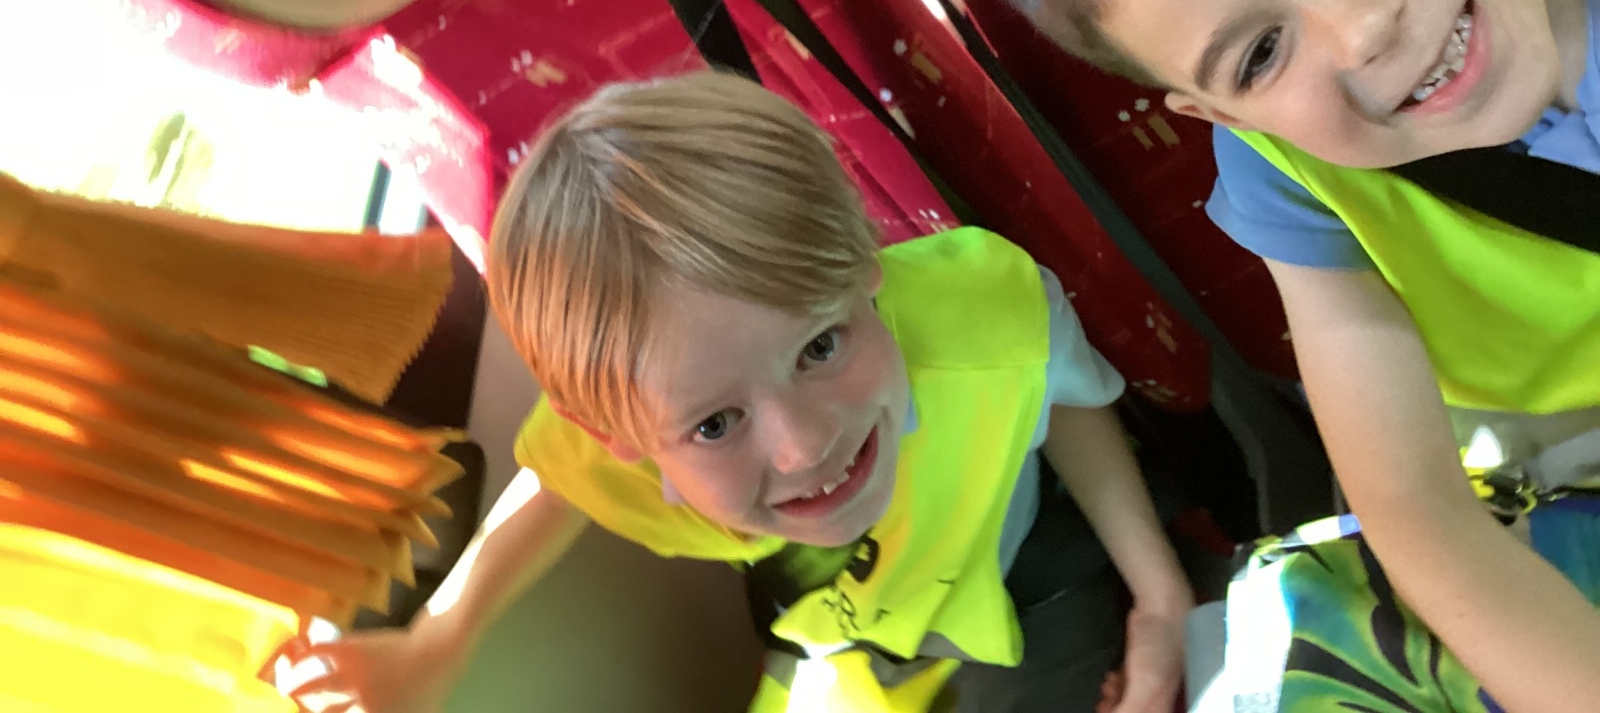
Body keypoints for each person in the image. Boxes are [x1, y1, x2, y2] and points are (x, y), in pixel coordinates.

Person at [989, 0, 1600, 710]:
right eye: (1261, 54)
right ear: (1219, 114)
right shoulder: (1290, 171)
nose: (1363, 31)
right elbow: (1415, 512)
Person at [276, 70, 1195, 713]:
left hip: (1015, 575)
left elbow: (1058, 393)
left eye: (821, 346)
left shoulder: (980, 313)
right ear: (621, 436)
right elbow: (554, 483)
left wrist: (1160, 599)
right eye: (716, 424)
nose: (805, 446)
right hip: (841, 634)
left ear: (867, 267)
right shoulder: (614, 451)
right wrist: (436, 643)